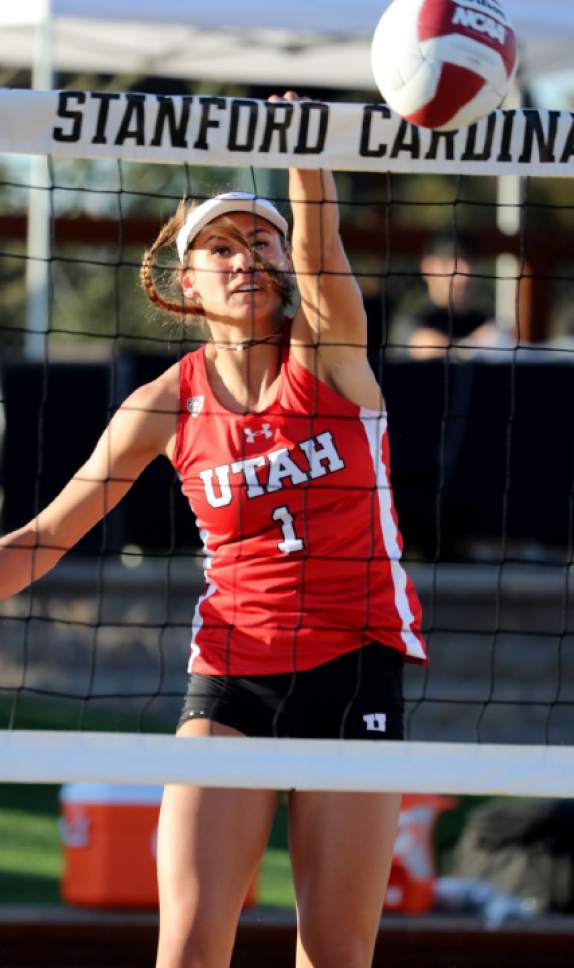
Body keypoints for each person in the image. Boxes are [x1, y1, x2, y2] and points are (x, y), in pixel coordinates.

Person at [0, 92, 426, 968]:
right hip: (232, 674)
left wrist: (305, 154)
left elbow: (322, 249)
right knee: (189, 948)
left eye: (259, 242)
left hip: (355, 668)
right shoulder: (163, 403)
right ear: (185, 282)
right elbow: (45, 536)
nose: (245, 260)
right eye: (220, 248)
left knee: (336, 953)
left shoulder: (329, 354)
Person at [407, 232, 503, 359]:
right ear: (428, 267)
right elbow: (419, 347)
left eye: (470, 262)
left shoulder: (488, 324)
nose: (465, 274)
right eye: (452, 263)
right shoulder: (411, 320)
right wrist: (473, 348)